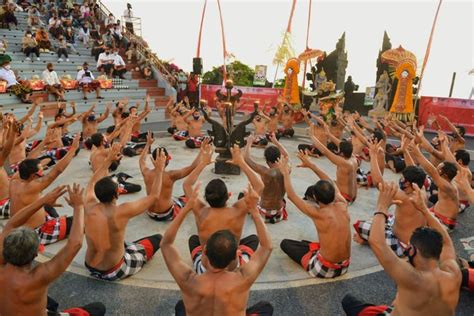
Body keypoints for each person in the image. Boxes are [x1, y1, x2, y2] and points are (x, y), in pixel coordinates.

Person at [342, 182, 461, 315]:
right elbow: (447, 242)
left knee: (349, 302)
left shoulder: (410, 278)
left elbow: (377, 241)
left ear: (413, 250)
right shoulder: (454, 273)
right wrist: (424, 209)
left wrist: (382, 207)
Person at [161, 180, 274, 316]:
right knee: (266, 307)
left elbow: (166, 244)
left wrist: (187, 208)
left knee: (181, 305)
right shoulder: (243, 279)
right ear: (235, 255)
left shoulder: (188, 281)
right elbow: (267, 246)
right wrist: (254, 211)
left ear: (204, 250)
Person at [0, 184, 106, 316]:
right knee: (98, 309)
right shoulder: (36, 279)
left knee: (50, 303)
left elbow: (11, 224)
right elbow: (75, 244)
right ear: (35, 254)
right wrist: (78, 206)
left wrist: (42, 201)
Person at [84, 144, 165, 281]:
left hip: (89, 266)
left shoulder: (89, 205)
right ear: (117, 193)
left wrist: (107, 161)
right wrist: (159, 170)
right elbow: (154, 196)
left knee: (124, 243)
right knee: (157, 239)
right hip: (113, 270)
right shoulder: (122, 211)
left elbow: (92, 183)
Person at [182, 143, 264, 274]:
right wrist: (241, 163)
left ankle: (200, 264)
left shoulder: (200, 210)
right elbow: (259, 186)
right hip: (232, 267)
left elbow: (186, 185)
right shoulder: (237, 210)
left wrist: (203, 163)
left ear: (206, 198)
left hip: (205, 268)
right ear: (229, 195)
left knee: (193, 240)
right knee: (253, 239)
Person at [277, 152, 351, 278]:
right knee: (307, 243)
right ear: (334, 193)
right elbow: (329, 182)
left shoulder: (317, 213)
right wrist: (311, 165)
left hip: (325, 269)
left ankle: (313, 260)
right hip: (345, 266)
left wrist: (285, 173)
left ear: (315, 197)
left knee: (285, 243)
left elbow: (291, 196)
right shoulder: (343, 204)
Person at [353, 140, 428, 257]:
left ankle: (369, 242)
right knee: (386, 219)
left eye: (403, 178)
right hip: (416, 241)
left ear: (408, 183)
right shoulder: (421, 190)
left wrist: (373, 155)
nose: (401, 180)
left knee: (362, 226)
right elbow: (412, 168)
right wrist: (404, 151)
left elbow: (378, 183)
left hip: (403, 245)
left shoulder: (405, 197)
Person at [9, 135, 81, 246]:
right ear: (33, 176)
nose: (43, 173)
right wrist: (73, 149)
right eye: (41, 172)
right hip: (33, 234)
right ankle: (58, 223)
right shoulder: (31, 187)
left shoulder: (14, 180)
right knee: (80, 221)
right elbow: (57, 170)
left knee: (46, 205)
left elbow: (27, 160)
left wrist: (44, 143)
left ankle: (57, 220)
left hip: (20, 226)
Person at [140, 134, 201, 221]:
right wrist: (202, 152)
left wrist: (148, 144)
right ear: (167, 160)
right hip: (166, 214)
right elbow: (192, 167)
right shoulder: (171, 175)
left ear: (153, 160)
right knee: (189, 197)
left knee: (178, 197)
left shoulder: (146, 173)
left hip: (150, 213)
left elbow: (141, 160)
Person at [409, 142, 459, 230]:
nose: (436, 170)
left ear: (445, 175)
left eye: (438, 170)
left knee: (412, 224)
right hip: (435, 211)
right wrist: (444, 143)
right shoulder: (450, 179)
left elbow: (431, 171)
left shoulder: (449, 187)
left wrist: (417, 153)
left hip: (444, 221)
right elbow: (448, 160)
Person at [308, 126, 359, 204]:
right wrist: (329, 135)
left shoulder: (344, 163)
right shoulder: (353, 158)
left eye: (339, 149)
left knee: (311, 190)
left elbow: (324, 151)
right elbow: (341, 144)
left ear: (341, 153)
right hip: (353, 196)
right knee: (333, 182)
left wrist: (312, 136)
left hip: (344, 198)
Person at [244, 134, 288, 223]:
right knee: (282, 200)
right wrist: (276, 142)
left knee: (243, 194)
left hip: (263, 214)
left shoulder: (265, 172)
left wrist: (249, 142)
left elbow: (247, 159)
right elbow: (286, 155)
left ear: (266, 160)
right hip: (279, 214)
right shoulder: (287, 169)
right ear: (279, 158)